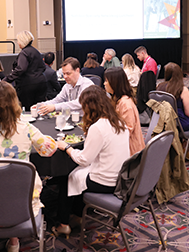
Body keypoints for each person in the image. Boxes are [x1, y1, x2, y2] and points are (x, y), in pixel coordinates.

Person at [0, 81, 57, 252]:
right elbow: (49, 150)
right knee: (16, 185)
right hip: (24, 207)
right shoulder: (25, 128)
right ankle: (14, 240)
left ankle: (13, 240)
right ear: (14, 102)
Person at [52, 85, 130, 237]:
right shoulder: (119, 122)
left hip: (105, 181)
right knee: (76, 175)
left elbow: (84, 160)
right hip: (120, 177)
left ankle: (63, 224)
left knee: (65, 178)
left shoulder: (98, 127)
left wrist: (67, 147)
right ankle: (78, 216)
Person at [104, 67, 145, 156]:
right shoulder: (116, 99)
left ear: (114, 83)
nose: (104, 84)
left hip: (130, 151)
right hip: (122, 146)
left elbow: (127, 131)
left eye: (106, 81)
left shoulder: (125, 104)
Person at [3, 30, 47, 110]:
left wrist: (7, 79)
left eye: (18, 41)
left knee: (27, 109)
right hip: (41, 82)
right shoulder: (36, 51)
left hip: (28, 85)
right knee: (39, 108)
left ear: (22, 41)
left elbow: (21, 69)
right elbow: (43, 67)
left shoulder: (24, 53)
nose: (18, 43)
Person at [157, 62, 189, 132]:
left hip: (162, 122)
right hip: (180, 123)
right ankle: (186, 141)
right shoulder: (182, 89)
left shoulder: (159, 86)